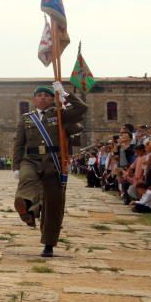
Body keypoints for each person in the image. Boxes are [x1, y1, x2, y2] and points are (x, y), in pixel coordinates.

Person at [12, 82, 87, 257]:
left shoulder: (60, 115)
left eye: (47, 95)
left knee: (53, 204)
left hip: (54, 162)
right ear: (34, 99)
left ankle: (48, 243)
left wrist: (65, 94)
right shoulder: (26, 118)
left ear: (52, 99)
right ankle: (28, 208)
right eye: (39, 95)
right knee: (26, 180)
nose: (43, 98)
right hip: (30, 159)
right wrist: (16, 166)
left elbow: (81, 109)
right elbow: (19, 144)